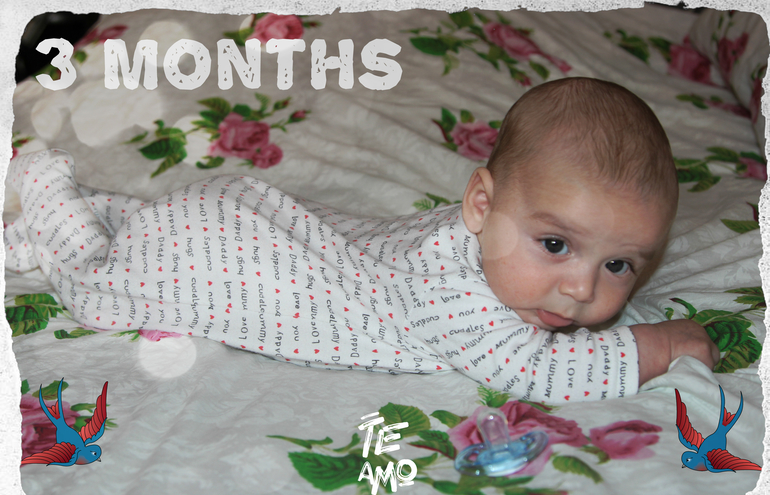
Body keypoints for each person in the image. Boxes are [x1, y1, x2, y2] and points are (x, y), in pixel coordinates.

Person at [4, 77, 718, 403]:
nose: (583, 289)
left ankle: (88, 217)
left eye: (619, 264)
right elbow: (537, 371)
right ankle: (46, 194)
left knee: (142, 235)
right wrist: (657, 346)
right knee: (100, 293)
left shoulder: (482, 239)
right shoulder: (455, 296)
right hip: (209, 255)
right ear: (481, 204)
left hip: (237, 222)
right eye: (556, 245)